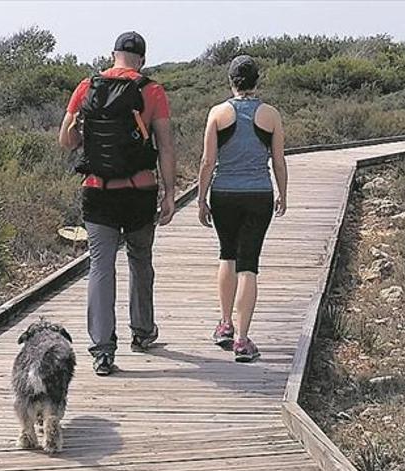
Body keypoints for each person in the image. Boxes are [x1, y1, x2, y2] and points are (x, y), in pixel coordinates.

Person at [58, 31, 177, 376]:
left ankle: (102, 350)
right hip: (139, 190)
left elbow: (67, 141)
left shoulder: (86, 87)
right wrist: (169, 194)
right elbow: (166, 146)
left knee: (100, 266)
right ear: (141, 59)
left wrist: (77, 127)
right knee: (140, 260)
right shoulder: (152, 90)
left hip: (97, 190)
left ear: (113, 55)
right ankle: (142, 333)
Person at [196, 55, 288, 363]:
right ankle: (243, 339)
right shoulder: (271, 115)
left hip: (224, 193)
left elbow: (208, 161)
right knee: (249, 263)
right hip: (259, 194)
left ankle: (224, 324)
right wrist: (283, 193)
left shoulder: (218, 113)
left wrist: (200, 198)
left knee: (227, 255)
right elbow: (278, 160)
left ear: (231, 80)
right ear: (256, 80)